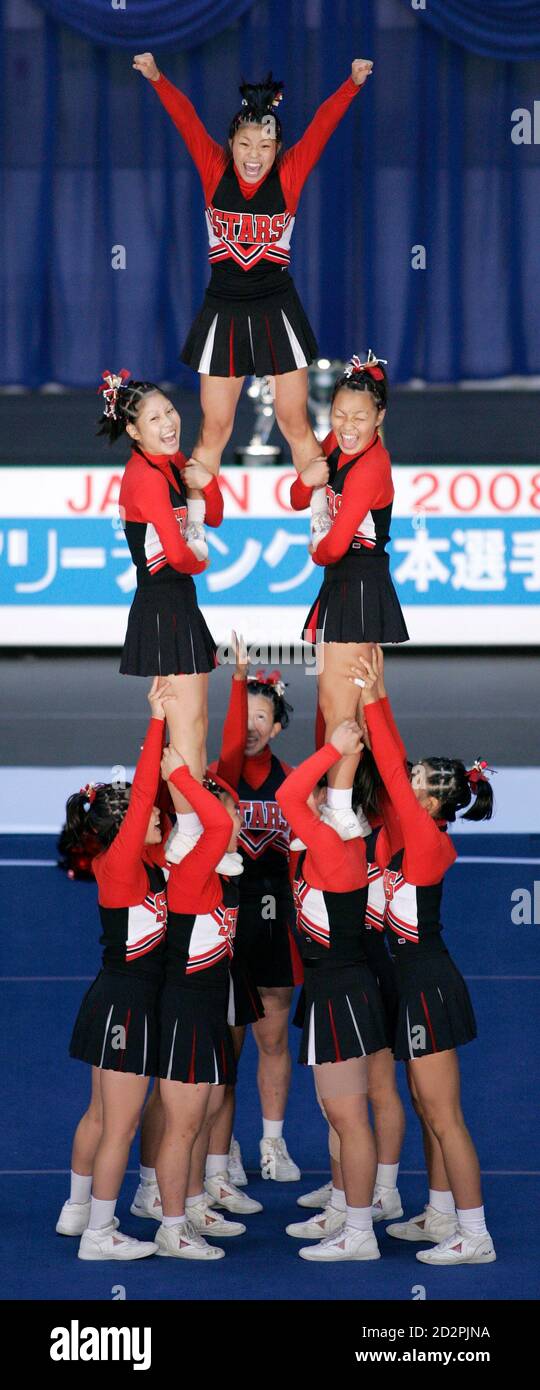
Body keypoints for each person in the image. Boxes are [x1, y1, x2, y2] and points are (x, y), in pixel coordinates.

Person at [133, 52, 373, 539]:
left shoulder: (288, 174)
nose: (254, 154)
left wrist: (350, 84)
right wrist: (158, 78)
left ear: (278, 148)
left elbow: (323, 128)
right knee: (214, 430)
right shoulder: (213, 168)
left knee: (293, 421)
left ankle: (322, 515)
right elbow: (186, 120)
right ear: (230, 145)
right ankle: (191, 524)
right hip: (223, 310)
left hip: (277, 308)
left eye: (265, 144)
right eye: (245, 143)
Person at [352, 646, 497, 1267]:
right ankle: (441, 1212)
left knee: (446, 1116)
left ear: (433, 804)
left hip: (429, 983)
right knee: (427, 1107)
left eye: (415, 786)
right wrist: (364, 706)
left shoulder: (430, 843)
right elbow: (382, 770)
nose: (404, 786)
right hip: (416, 983)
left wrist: (377, 698)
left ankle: (476, 1233)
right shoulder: (402, 835)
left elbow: (387, 760)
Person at [58, 679, 172, 1260]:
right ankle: (101, 1235)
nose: (157, 814)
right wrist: (157, 723)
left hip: (113, 996)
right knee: (121, 1126)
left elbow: (158, 794)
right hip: (127, 1000)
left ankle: (77, 1211)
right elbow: (150, 780)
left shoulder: (126, 858)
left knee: (100, 1115)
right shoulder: (126, 861)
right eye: (144, 812)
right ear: (122, 826)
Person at [98, 372, 225, 865]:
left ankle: (190, 827)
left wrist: (201, 481)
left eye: (169, 411)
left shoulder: (170, 463)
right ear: (133, 431)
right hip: (162, 603)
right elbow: (178, 555)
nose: (169, 422)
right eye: (154, 418)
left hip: (179, 601)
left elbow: (213, 514)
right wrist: (201, 557)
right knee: (186, 726)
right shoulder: (144, 476)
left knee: (194, 723)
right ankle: (190, 831)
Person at [276, 721, 389, 1261]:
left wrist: (333, 750)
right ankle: (346, 1209)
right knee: (335, 1115)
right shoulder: (330, 842)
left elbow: (285, 794)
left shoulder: (331, 843)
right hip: (334, 992)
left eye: (324, 792)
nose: (315, 797)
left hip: (341, 994)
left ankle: (361, 1232)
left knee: (348, 1117)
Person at [290, 354, 408, 846]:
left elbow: (332, 548)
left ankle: (339, 809)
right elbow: (299, 494)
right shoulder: (336, 445)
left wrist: (318, 532)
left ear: (380, 417)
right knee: (339, 704)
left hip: (357, 587)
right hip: (343, 586)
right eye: (339, 414)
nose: (347, 426)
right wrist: (312, 474)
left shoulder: (371, 466)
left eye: (359, 417)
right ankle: (345, 802)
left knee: (341, 707)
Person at [200, 633, 302, 1191]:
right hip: (229, 922)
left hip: (277, 925)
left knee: (273, 1037)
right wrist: (238, 678)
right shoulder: (223, 774)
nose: (254, 726)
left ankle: (272, 1141)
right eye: (247, 717)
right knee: (227, 1042)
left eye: (264, 717)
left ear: (279, 726)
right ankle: (225, 1148)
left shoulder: (295, 784)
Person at [153, 744, 249, 1260]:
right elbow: (212, 825)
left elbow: (218, 825)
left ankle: (189, 1204)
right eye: (233, 816)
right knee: (184, 1125)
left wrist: (196, 781)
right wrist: (184, 779)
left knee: (204, 1113)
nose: (236, 822)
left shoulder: (221, 869)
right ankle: (171, 1227)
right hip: (188, 1012)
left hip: (208, 1009)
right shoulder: (192, 872)